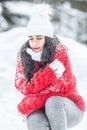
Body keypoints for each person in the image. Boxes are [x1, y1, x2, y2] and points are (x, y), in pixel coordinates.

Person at [15, 3, 86, 130]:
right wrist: (49, 73)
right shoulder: (25, 55)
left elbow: (65, 85)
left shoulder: (59, 52)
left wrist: (31, 101)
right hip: (41, 109)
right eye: (31, 38)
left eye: (39, 38)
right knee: (34, 119)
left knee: (53, 101)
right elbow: (23, 86)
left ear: (47, 38)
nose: (34, 43)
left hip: (68, 108)